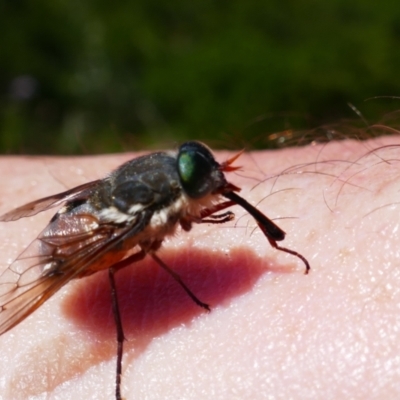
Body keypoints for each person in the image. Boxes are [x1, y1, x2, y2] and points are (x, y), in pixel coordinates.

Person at [0, 135, 400, 399]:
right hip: (75, 246)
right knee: (120, 267)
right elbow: (153, 239)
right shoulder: (151, 211)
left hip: (94, 211)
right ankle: (121, 347)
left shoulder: (170, 183)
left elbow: (166, 214)